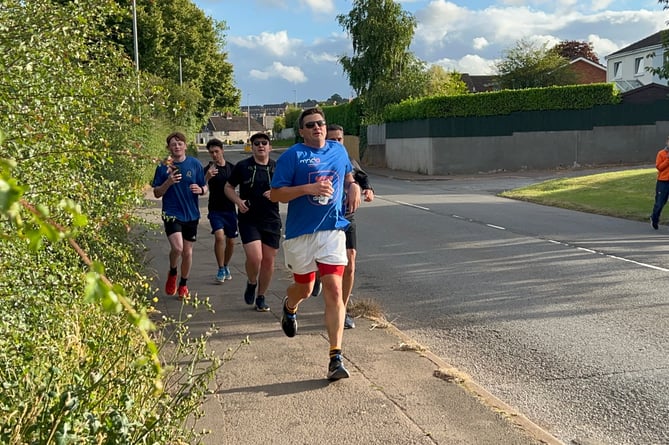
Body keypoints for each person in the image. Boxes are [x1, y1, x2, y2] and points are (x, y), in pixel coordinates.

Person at [270, 107, 361, 381]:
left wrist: (354, 185)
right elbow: (276, 194)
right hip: (301, 234)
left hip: (332, 230)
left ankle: (335, 356)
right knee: (306, 287)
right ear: (302, 131)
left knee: (333, 289)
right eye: (310, 125)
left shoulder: (338, 150)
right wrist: (307, 189)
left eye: (320, 123)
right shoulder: (292, 156)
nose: (317, 128)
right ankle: (290, 306)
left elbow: (348, 174)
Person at [225, 132, 281, 312]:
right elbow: (228, 187)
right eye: (256, 143)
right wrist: (237, 201)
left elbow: (288, 189)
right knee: (255, 257)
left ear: (270, 147)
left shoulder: (277, 167)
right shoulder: (243, 166)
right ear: (252, 147)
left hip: (271, 219)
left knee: (268, 262)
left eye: (264, 143)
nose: (261, 146)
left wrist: (276, 194)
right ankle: (251, 282)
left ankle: (261, 296)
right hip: (249, 218)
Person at [326, 124, 375, 329]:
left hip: (347, 218)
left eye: (340, 139)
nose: (337, 143)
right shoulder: (320, 161)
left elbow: (361, 176)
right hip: (325, 220)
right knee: (323, 267)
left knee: (350, 262)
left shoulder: (349, 160)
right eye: (332, 140)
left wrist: (368, 189)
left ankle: (342, 310)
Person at [151, 131, 207, 300]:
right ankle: (173, 271)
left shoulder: (194, 164)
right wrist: (169, 182)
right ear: (168, 147)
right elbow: (156, 193)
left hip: (191, 214)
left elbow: (204, 187)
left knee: (188, 253)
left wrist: (201, 190)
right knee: (178, 248)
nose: (177, 146)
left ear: (185, 146)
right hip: (171, 213)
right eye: (173, 144)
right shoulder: (163, 166)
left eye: (180, 143)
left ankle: (183, 283)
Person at [204, 138, 237, 283]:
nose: (214, 155)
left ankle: (225, 265)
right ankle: (220, 268)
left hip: (230, 209)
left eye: (216, 151)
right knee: (219, 237)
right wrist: (207, 177)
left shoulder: (232, 168)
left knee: (231, 242)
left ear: (222, 150)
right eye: (211, 153)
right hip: (215, 209)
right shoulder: (208, 169)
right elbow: (201, 188)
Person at [651, 137, 669, 230]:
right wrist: (668, 160)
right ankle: (654, 218)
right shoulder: (661, 153)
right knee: (660, 203)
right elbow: (659, 167)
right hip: (663, 181)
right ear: (667, 142)